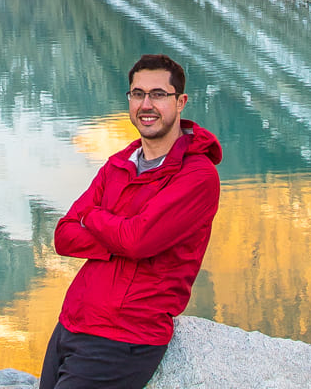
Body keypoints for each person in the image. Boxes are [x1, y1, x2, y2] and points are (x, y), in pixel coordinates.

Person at [39, 53, 221, 389]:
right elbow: (64, 236)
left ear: (180, 102)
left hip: (124, 337)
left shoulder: (197, 176)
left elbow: (137, 241)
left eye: (158, 94)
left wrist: (92, 216)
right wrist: (119, 235)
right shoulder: (120, 163)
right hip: (73, 321)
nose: (146, 105)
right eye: (138, 94)